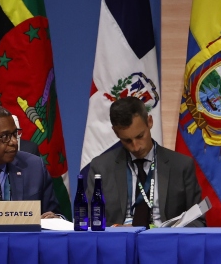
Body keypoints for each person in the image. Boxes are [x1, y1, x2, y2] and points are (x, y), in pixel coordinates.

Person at [86, 97, 205, 227]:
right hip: (119, 243)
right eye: (127, 141)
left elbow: (198, 221)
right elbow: (89, 219)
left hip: (165, 242)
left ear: (149, 121)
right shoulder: (101, 168)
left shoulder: (181, 166)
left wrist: (170, 234)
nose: (136, 147)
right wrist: (113, 230)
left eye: (140, 136)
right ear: (115, 132)